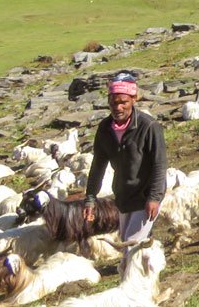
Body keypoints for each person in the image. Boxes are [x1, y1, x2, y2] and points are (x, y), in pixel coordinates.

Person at [83, 72, 167, 260]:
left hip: (146, 195)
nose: (118, 107)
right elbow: (98, 165)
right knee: (128, 241)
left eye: (124, 102)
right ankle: (149, 271)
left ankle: (132, 282)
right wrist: (90, 198)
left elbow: (160, 165)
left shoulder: (148, 127)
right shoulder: (105, 129)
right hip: (123, 195)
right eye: (113, 103)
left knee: (131, 244)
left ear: (134, 99)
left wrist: (154, 197)